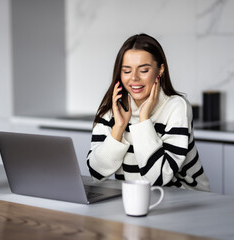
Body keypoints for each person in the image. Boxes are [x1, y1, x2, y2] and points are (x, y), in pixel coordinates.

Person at [86, 33, 210, 191]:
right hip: (135, 198)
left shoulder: (176, 107)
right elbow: (96, 173)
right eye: (126, 71)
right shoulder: (112, 108)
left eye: (143, 70)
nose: (134, 78)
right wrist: (118, 128)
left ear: (160, 69)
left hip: (185, 199)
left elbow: (158, 178)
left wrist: (144, 120)